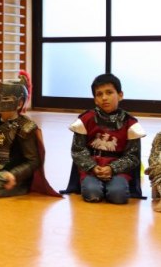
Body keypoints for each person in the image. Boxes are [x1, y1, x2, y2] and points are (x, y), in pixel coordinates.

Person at [0, 73, 60, 198]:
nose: (0, 101)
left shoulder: (25, 127)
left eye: (6, 99)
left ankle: (19, 188)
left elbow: (33, 161)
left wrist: (15, 174)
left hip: (12, 170)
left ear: (19, 103)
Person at [62, 73, 145, 204]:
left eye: (109, 92)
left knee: (118, 196)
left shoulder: (130, 123)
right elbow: (78, 150)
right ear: (95, 99)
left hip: (118, 171)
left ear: (120, 95)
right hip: (92, 169)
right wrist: (93, 167)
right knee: (92, 193)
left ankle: (113, 187)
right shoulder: (86, 119)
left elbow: (132, 156)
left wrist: (112, 168)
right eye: (99, 94)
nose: (104, 98)